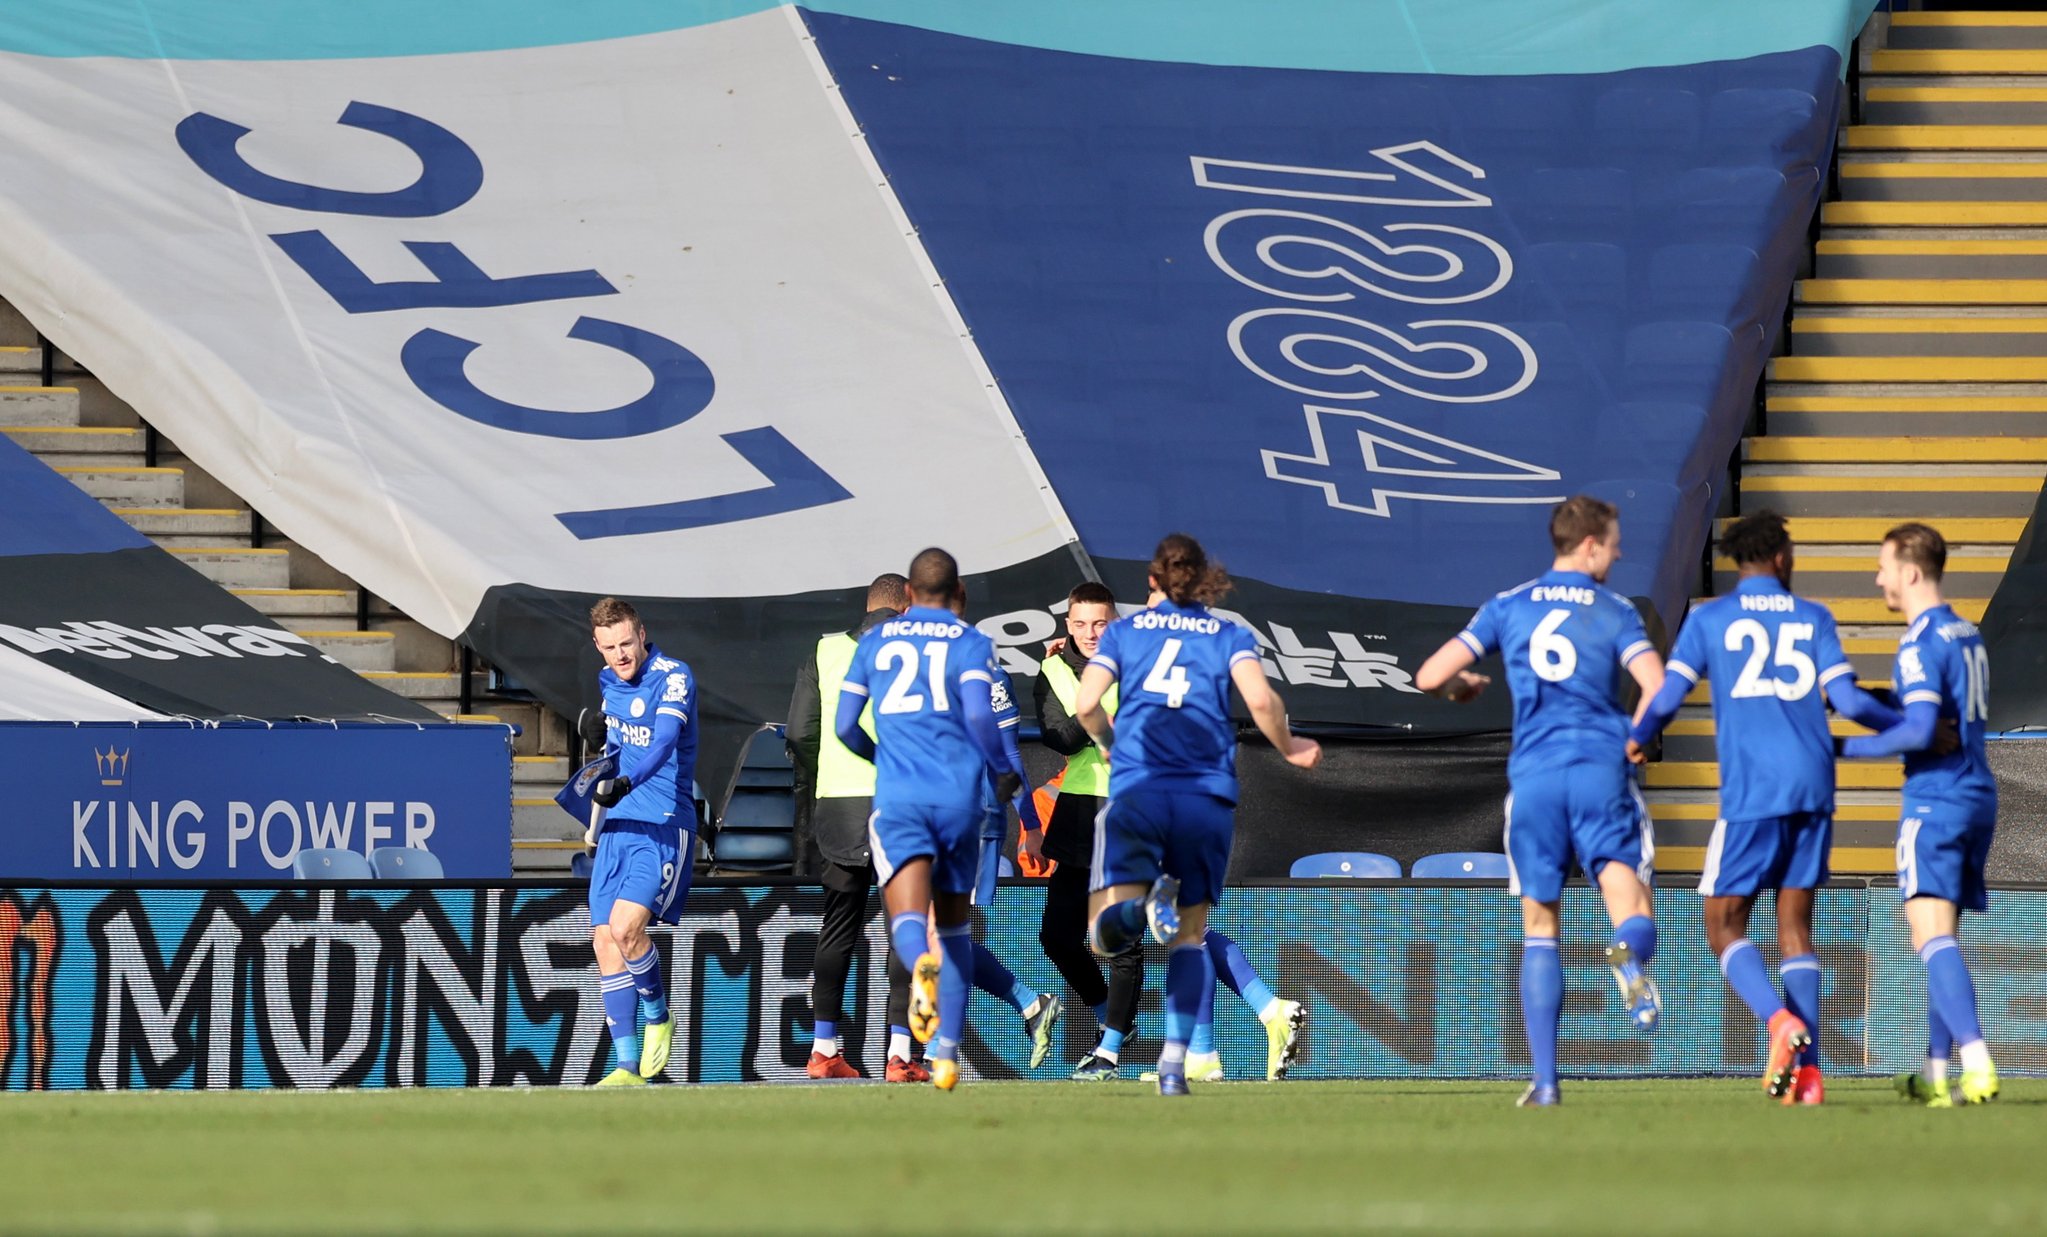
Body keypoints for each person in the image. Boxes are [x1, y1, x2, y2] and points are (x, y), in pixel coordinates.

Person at [1625, 511, 1904, 1105]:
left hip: (1753, 791)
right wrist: (1911, 724)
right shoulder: (1813, 616)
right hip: (1814, 785)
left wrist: (1636, 735)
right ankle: (1809, 1078)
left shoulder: (1710, 619)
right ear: (1780, 557)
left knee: (1723, 926)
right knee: (1796, 928)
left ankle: (1781, 1024)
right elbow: (1849, 698)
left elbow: (1669, 695)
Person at [1414, 496, 1666, 1108]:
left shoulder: (1508, 604)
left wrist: (1460, 688)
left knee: (1539, 927)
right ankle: (1627, 955)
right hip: (1600, 772)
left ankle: (1547, 1083)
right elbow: (1658, 686)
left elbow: (1426, 676)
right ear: (1588, 545)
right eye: (1613, 542)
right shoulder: (1616, 610)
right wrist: (1636, 735)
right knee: (1628, 896)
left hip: (1534, 778)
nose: (1620, 551)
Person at [1075, 533, 1323, 1096]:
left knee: (1102, 936)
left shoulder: (1125, 632)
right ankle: (1180, 1065)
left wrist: (1110, 742)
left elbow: (1086, 705)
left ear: (1152, 581)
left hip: (1140, 790)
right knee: (1191, 933)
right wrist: (1289, 746)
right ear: (1202, 579)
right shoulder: (1227, 632)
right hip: (1205, 797)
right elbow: (1261, 701)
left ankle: (1140, 915)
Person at [834, 548, 1016, 1091]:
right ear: (957, 593)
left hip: (902, 800)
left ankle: (921, 972)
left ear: (908, 595)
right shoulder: (972, 643)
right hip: (959, 801)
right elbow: (983, 716)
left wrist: (882, 757)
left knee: (909, 922)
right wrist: (1003, 769)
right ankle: (947, 1056)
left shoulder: (876, 641)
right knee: (955, 927)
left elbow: (845, 726)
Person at [1838, 523, 2001, 1106]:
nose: (1878, 577)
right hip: (1978, 791)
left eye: (1884, 566)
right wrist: (1874, 704)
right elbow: (1930, 716)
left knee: (1929, 934)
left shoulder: (1919, 640)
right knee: (1940, 934)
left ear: (1910, 571)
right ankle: (1936, 1072)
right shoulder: (1967, 632)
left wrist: (1838, 747)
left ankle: (1978, 1063)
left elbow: (1918, 729)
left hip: (1935, 798)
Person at [785, 573, 924, 1082]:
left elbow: (800, 730)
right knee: (902, 929)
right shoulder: (918, 648)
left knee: (838, 924)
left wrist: (826, 772)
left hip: (838, 804)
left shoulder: (823, 650)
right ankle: (900, 1056)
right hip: (899, 804)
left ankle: (824, 1050)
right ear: (906, 604)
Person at [1034, 582, 1148, 1080]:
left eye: (1100, 623)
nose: (1089, 633)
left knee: (1121, 938)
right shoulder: (1053, 668)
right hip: (1080, 810)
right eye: (1079, 624)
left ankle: (1111, 1051)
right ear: (1066, 626)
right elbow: (1058, 734)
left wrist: (1087, 700)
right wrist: (1094, 699)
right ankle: (1109, 1016)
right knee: (1057, 936)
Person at [584, 598, 697, 1087]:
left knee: (629, 929)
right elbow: (614, 751)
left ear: (642, 633)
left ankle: (659, 1016)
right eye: (610, 647)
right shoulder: (607, 681)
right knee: (605, 939)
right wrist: (591, 815)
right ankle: (627, 1066)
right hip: (617, 827)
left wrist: (628, 781)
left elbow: (664, 740)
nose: (620, 655)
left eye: (626, 643)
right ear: (598, 645)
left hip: (662, 823)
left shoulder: (673, 675)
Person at [963, 659, 1066, 1069]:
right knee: (926, 938)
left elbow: (1008, 755)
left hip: (971, 820)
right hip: (920, 817)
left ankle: (936, 1051)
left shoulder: (987, 670)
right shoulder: (907, 658)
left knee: (939, 935)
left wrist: (1031, 825)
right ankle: (1029, 1001)